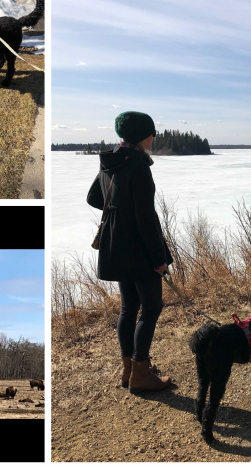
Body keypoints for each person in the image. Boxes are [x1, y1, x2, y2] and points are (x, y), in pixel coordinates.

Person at [86, 111, 173, 393]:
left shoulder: (112, 159)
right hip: (138, 248)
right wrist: (159, 259)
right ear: (140, 135)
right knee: (151, 308)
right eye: (151, 132)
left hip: (116, 244)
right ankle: (141, 374)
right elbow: (146, 219)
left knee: (128, 309)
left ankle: (129, 371)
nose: (154, 136)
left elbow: (93, 198)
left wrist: (117, 215)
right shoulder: (137, 165)